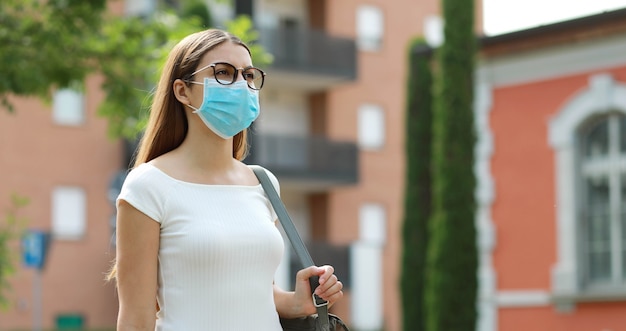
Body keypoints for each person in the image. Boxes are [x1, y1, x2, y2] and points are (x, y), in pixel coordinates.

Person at [107, 28, 344, 331]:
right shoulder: (148, 186)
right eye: (223, 73)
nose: (241, 85)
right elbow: (135, 318)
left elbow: (252, 289)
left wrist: (295, 302)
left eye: (248, 75)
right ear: (182, 91)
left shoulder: (264, 183)